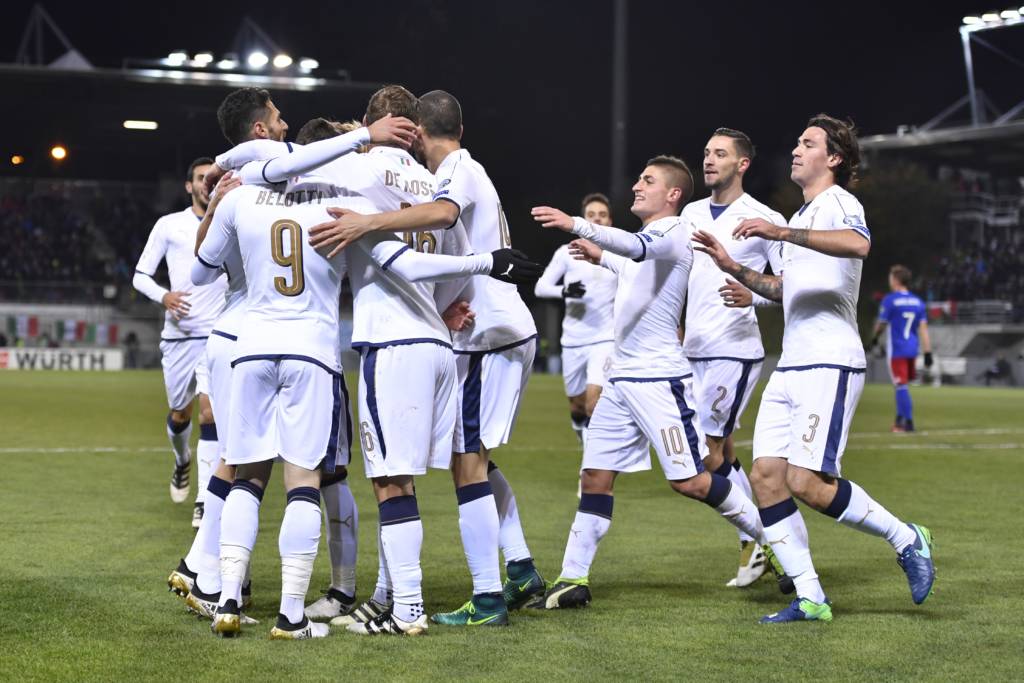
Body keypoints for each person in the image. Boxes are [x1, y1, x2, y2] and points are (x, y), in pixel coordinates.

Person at [173, 87, 417, 623]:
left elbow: (197, 274)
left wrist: (214, 200)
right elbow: (399, 262)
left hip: (251, 348)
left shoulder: (239, 196)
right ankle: (292, 615)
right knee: (308, 480)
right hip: (311, 352)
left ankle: (227, 600)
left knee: (246, 478)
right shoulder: (342, 205)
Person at [305, 90, 546, 626]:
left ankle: (480, 598)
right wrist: (448, 306)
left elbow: (441, 220)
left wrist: (364, 220)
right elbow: (454, 252)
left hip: (483, 332)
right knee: (467, 458)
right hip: (460, 330)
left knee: (446, 468)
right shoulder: (428, 177)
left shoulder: (455, 170)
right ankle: (517, 568)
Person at [693, 114, 935, 623]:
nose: (798, 150)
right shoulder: (799, 218)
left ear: (835, 158)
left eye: (809, 144)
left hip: (830, 359)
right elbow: (784, 290)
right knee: (765, 477)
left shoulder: (839, 204)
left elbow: (858, 244)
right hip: (792, 364)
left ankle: (907, 537)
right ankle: (810, 597)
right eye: (798, 142)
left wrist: (782, 230)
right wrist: (734, 269)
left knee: (808, 482)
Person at [530, 156, 768, 609]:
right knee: (595, 476)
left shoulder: (673, 231)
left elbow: (641, 251)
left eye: (648, 180)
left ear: (673, 194)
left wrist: (576, 224)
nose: (637, 186)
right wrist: (603, 256)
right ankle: (572, 579)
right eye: (639, 178)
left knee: (692, 482)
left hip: (660, 379)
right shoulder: (642, 245)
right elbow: (635, 268)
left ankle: (771, 537)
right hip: (621, 378)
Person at [681, 128, 788, 588]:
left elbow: (788, 284)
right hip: (691, 350)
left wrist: (753, 297)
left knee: (704, 455)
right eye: (706, 152)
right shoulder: (688, 212)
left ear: (742, 164)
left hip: (734, 351)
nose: (708, 160)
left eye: (720, 154)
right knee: (721, 453)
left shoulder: (763, 217)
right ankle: (767, 538)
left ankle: (763, 539)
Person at [133, 157, 227, 526]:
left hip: (217, 334)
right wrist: (164, 297)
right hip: (179, 337)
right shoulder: (169, 225)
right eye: (201, 178)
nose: (207, 183)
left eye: (212, 178)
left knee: (209, 414)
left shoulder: (230, 221)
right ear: (189, 186)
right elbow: (140, 275)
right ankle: (181, 460)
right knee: (180, 413)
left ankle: (204, 500)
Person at [534, 193, 617, 444]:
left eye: (602, 215)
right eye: (591, 215)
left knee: (594, 403)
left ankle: (590, 474)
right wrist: (565, 291)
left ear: (610, 221)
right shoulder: (566, 253)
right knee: (578, 407)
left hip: (606, 339)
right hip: (572, 340)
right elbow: (541, 287)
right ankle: (584, 440)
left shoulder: (618, 253)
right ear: (583, 219)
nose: (597, 219)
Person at [869, 265, 932, 432]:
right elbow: (923, 329)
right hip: (913, 349)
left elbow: (881, 324)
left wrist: (874, 339)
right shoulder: (918, 302)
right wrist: (928, 352)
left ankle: (908, 423)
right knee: (902, 385)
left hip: (897, 349)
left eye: (891, 277)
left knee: (901, 385)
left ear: (896, 280)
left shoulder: (890, 300)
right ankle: (899, 419)